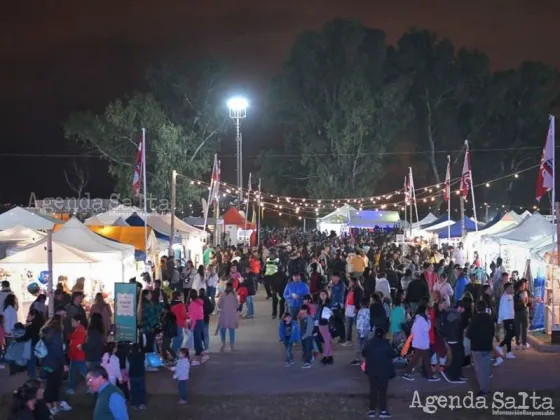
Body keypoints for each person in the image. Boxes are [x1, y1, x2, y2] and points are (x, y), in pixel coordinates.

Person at [362, 327, 397, 418]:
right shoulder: (386, 344)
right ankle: (383, 411)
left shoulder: (369, 343)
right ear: (383, 335)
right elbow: (393, 354)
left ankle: (372, 410)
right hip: (383, 371)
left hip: (371, 370)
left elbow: (364, 353)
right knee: (383, 391)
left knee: (373, 390)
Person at [41, 315, 71, 415]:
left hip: (46, 364)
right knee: (54, 386)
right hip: (55, 365)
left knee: (51, 385)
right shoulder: (56, 336)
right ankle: (51, 407)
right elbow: (59, 353)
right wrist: (65, 364)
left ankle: (53, 406)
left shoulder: (45, 334)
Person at [402, 304, 440, 382]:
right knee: (426, 360)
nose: (428, 312)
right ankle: (430, 375)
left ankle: (407, 373)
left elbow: (413, 330)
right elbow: (427, 328)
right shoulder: (422, 320)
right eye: (426, 310)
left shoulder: (418, 319)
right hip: (422, 344)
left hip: (418, 343)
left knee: (416, 359)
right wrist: (429, 320)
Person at [467, 300, 495, 396]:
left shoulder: (474, 319)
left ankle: (484, 390)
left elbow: (469, 334)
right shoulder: (489, 318)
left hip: (477, 347)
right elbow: (492, 332)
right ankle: (486, 388)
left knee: (479, 370)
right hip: (487, 346)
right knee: (486, 369)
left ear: (476, 308)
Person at [217, 282, 239, 352]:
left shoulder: (222, 295)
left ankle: (223, 344)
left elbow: (219, 305)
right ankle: (232, 346)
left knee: (223, 330)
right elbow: (237, 305)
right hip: (232, 315)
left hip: (224, 315)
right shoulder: (234, 295)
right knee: (232, 331)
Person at [497, 282, 516, 359]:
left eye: (512, 287)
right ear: (506, 289)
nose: (512, 289)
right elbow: (501, 309)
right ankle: (507, 350)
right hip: (506, 319)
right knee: (510, 333)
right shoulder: (504, 297)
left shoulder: (511, 296)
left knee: (511, 333)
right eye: (511, 287)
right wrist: (500, 319)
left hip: (511, 317)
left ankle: (504, 348)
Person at [127, 343, 147, 410]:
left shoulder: (129, 356)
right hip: (141, 374)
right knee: (141, 390)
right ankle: (142, 404)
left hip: (132, 374)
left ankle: (134, 404)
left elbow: (127, 366)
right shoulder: (142, 355)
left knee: (133, 390)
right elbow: (146, 364)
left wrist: (128, 374)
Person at [298, 304, 314, 368]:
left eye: (304, 310)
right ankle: (310, 357)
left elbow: (309, 329)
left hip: (308, 336)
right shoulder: (301, 317)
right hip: (303, 336)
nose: (302, 311)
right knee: (304, 349)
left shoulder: (309, 318)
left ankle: (308, 362)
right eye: (301, 310)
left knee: (308, 349)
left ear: (307, 310)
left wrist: (304, 336)